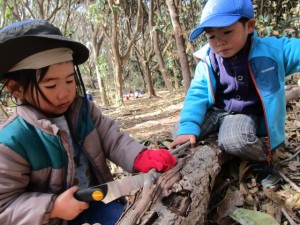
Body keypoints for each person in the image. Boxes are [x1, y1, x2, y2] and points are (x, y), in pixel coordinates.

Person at [0, 19, 176, 225]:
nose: (65, 92)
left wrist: (138, 156)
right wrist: (53, 207)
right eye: (51, 85)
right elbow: (4, 205)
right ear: (15, 88)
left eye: (69, 80)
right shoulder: (11, 140)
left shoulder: (83, 111)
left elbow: (112, 139)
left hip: (98, 201)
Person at [171, 0, 300, 186]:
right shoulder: (208, 60)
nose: (219, 42)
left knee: (235, 140)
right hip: (215, 110)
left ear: (249, 26)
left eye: (227, 32)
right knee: (180, 131)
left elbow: (295, 49)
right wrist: (189, 126)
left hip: (243, 114)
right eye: (211, 36)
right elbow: (197, 94)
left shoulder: (271, 52)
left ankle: (261, 160)